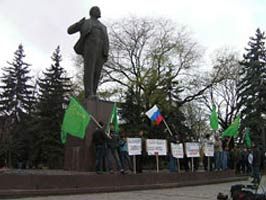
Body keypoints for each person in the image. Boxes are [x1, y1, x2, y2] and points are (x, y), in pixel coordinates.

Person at [67, 6, 109, 98]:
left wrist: (106, 52)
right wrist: (78, 24)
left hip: (100, 51)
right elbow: (69, 31)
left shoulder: (103, 27)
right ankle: (88, 93)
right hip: (89, 49)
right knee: (89, 71)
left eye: (99, 10)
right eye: (97, 10)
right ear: (92, 12)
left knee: (97, 73)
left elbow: (106, 40)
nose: (99, 12)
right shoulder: (85, 22)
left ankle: (93, 92)